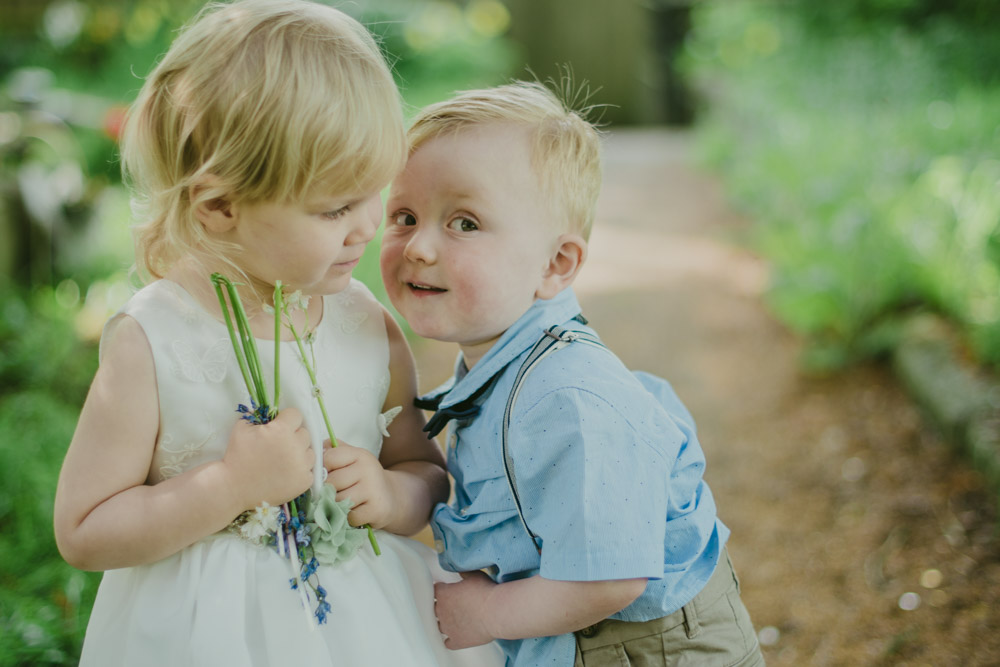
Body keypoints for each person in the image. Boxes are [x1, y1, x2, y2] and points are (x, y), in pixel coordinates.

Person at [52, 2, 504, 665]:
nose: (366, 227)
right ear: (220, 206)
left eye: (372, 195)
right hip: (202, 637)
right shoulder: (154, 339)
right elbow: (84, 529)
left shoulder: (364, 324)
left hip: (362, 629)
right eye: (335, 209)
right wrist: (231, 486)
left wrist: (390, 493)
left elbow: (423, 471)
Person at [379, 81, 765, 667]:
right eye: (404, 216)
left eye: (464, 223)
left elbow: (611, 578)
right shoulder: (501, 366)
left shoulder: (571, 396)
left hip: (649, 648)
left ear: (555, 265)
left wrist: (487, 615)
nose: (419, 247)